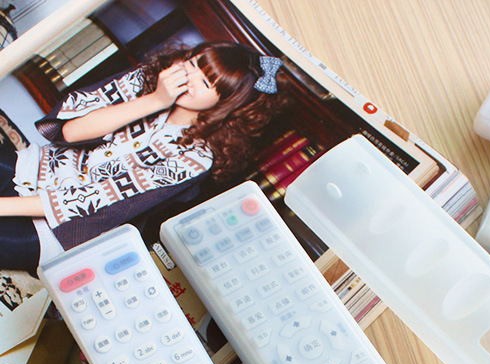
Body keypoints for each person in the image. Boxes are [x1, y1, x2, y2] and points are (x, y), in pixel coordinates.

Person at [0, 41, 284, 272]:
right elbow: (71, 132)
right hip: (35, 167)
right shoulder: (147, 79)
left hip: (62, 226)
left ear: (225, 103)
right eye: (193, 64)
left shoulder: (195, 159)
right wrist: (156, 100)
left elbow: (92, 201)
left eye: (206, 82)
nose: (190, 79)